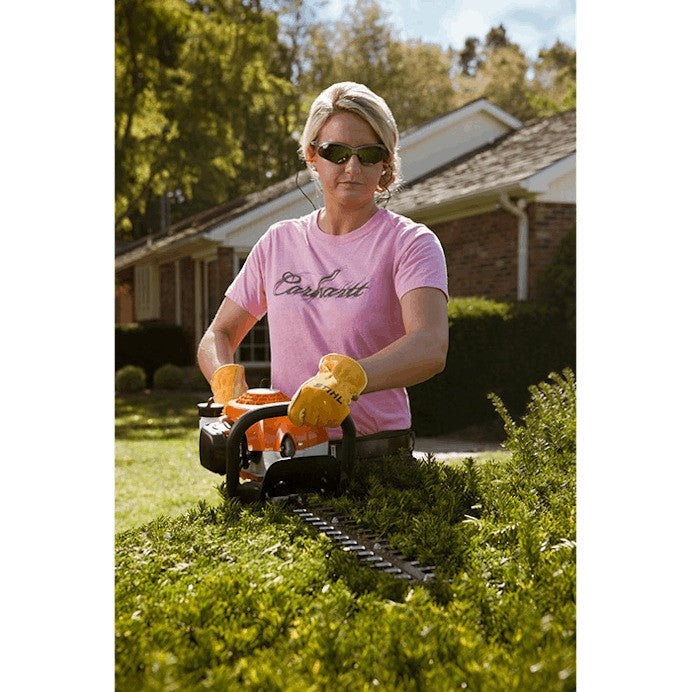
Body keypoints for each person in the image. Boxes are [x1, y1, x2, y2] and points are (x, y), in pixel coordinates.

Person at [197, 81, 449, 460]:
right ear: (312, 155)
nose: (352, 167)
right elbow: (219, 333)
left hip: (373, 456)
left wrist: (350, 380)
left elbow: (429, 345)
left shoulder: (410, 243)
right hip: (283, 452)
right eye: (337, 152)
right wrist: (224, 378)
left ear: (385, 163)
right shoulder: (278, 242)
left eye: (369, 154)